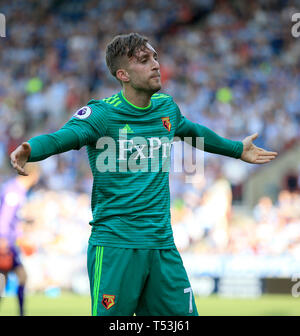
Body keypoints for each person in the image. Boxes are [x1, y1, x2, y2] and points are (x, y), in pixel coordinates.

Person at [10, 33, 277, 316]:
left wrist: (237, 149)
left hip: (162, 247)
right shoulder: (102, 115)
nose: (156, 64)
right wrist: (30, 149)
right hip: (116, 247)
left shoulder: (166, 108)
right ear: (123, 74)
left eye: (155, 57)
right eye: (144, 60)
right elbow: (63, 137)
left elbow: (193, 131)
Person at [0, 163, 40, 316]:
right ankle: (22, 313)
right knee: (20, 276)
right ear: (32, 175)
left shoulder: (17, 190)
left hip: (9, 242)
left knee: (7, 279)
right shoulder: (14, 191)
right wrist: (3, 240)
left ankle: (21, 312)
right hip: (5, 243)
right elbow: (4, 218)